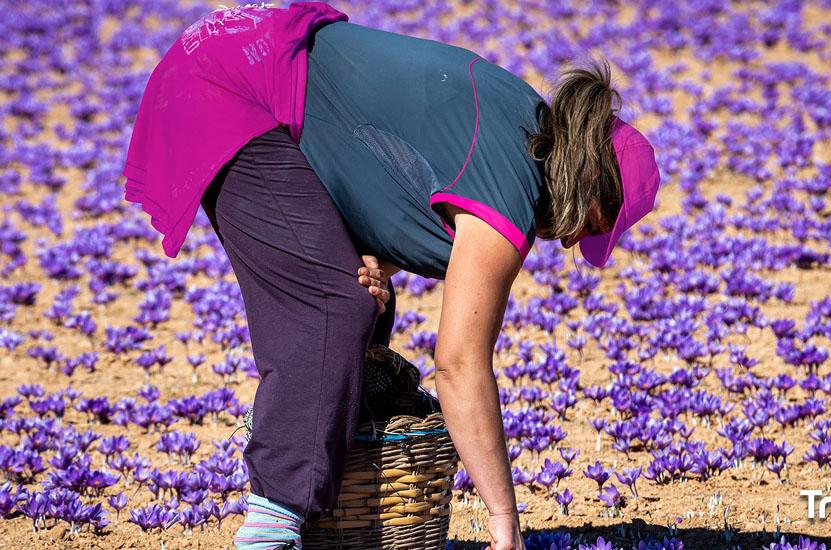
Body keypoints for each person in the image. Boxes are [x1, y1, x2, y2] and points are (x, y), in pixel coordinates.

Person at [122, 3, 661, 550]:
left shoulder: (524, 123)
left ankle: (336, 517)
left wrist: (381, 258)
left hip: (244, 55)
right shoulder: (511, 187)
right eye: (595, 224)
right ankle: (271, 526)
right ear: (591, 178)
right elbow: (458, 364)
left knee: (368, 299)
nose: (574, 241)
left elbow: (396, 163)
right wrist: (505, 521)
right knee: (335, 308)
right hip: (229, 86)